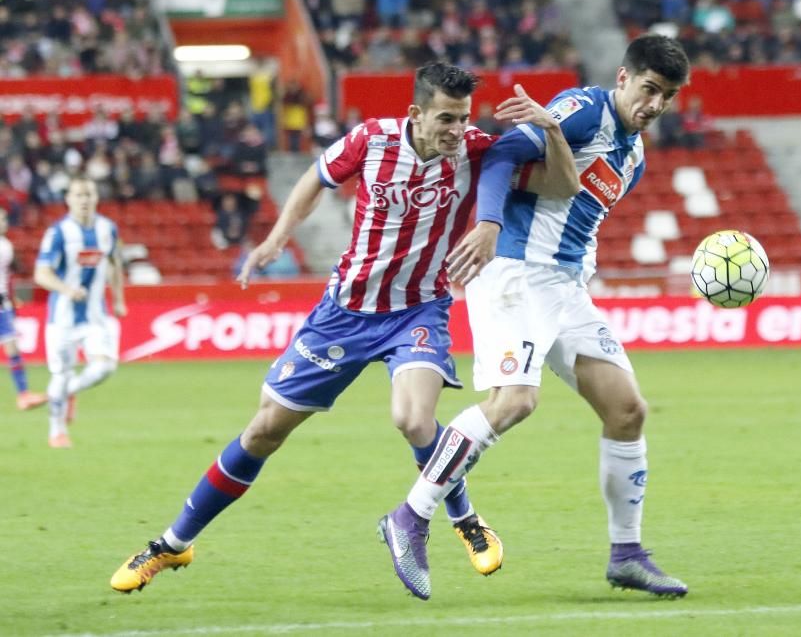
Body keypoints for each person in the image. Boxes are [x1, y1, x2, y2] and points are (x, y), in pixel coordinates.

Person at [108, 62, 578, 593]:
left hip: (419, 310)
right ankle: (172, 545)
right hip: (344, 315)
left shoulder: (474, 151)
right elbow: (315, 177)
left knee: (414, 418)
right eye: (446, 118)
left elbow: (563, 185)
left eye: (463, 117)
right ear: (415, 113)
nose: (456, 129)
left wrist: (554, 130)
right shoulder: (370, 140)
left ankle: (464, 519)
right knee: (263, 431)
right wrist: (279, 236)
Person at [379, 34, 691, 601]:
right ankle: (410, 516)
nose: (655, 104)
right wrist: (491, 222)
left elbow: (575, 210)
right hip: (515, 272)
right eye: (649, 88)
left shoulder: (634, 153)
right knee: (515, 401)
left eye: (666, 96)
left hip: (564, 288)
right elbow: (501, 155)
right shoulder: (584, 110)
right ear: (623, 78)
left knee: (627, 410)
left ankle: (627, 554)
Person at [33, 177, 127, 448]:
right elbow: (41, 274)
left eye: (89, 195)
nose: (84, 200)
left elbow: (114, 265)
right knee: (60, 374)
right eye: (78, 195)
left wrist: (119, 299)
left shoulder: (108, 229)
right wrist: (66, 289)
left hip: (96, 315)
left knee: (105, 367)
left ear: (96, 197)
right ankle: (57, 432)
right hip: (61, 319)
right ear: (68, 199)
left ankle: (68, 392)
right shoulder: (58, 233)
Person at [0, 208, 48, 411]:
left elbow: (8, 277)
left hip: (2, 303)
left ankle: (23, 394)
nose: (4, 222)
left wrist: (11, 300)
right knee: (12, 348)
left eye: (4, 218)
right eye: (0, 219)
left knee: (13, 348)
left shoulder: (6, 246)